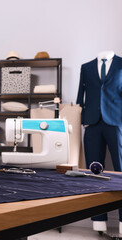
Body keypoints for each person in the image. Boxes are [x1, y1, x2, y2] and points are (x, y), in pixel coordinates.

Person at [76, 50, 122, 233]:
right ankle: (98, 219)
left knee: (121, 171)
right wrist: (82, 120)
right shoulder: (86, 67)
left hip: (116, 122)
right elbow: (81, 95)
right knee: (94, 171)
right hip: (92, 123)